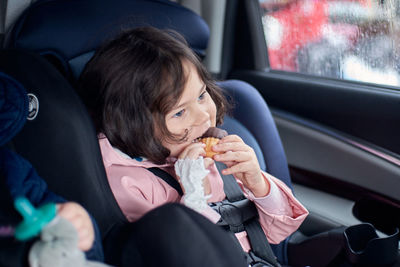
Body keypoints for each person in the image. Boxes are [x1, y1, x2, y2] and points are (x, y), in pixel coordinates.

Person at [78, 26, 309, 264]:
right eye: (179, 112)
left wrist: (258, 185)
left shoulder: (216, 155)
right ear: (133, 124)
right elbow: (175, 255)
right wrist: (195, 197)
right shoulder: (124, 183)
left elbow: (280, 232)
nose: (203, 117)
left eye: (201, 96)